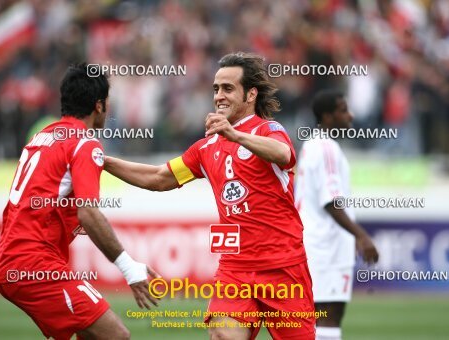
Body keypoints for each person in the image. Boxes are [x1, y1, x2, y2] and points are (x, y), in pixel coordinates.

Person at [105, 52, 315, 340]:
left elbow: (285, 154)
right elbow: (157, 178)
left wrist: (236, 135)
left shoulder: (269, 130)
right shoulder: (205, 148)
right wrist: (104, 162)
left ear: (250, 94)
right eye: (216, 89)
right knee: (222, 336)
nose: (219, 96)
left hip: (283, 266)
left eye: (228, 88)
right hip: (235, 269)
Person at [0, 63, 159, 340]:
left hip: (12, 260)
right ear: (98, 105)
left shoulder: (44, 136)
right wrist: (129, 269)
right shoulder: (85, 144)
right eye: (107, 102)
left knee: (91, 335)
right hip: (34, 264)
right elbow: (89, 215)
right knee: (117, 336)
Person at [294, 90, 379, 340]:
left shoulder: (311, 145)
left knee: (316, 320)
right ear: (328, 117)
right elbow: (331, 202)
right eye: (343, 110)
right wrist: (362, 236)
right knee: (329, 319)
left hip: (312, 244)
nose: (350, 115)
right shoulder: (327, 149)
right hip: (325, 247)